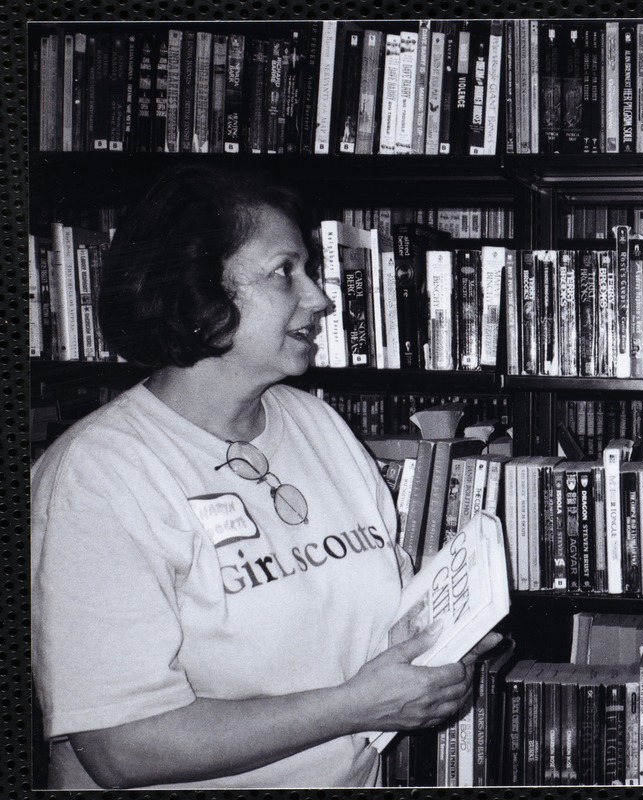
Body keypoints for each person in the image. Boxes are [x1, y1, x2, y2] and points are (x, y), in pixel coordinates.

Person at [30, 165, 499, 789]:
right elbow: (121, 747)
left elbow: (370, 606)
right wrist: (361, 703)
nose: (320, 298)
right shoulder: (96, 476)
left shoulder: (315, 422)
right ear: (197, 288)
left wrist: (438, 649)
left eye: (310, 270)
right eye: (285, 272)